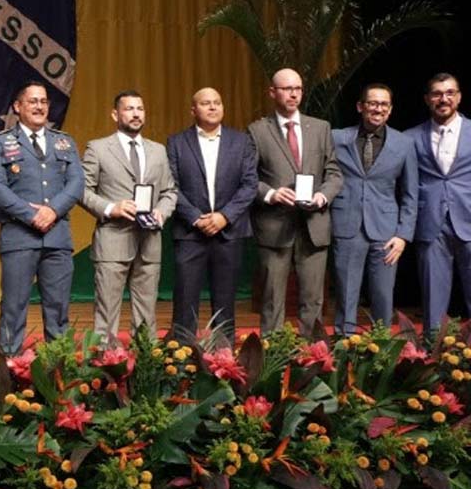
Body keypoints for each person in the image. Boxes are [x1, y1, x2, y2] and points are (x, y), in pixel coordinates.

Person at [0, 80, 84, 355]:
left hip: (57, 238)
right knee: (13, 310)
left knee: (58, 311)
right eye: (32, 101)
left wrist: (53, 210)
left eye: (43, 101)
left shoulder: (65, 142)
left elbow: (77, 183)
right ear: (18, 106)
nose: (39, 106)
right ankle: (8, 375)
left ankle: (58, 376)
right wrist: (31, 215)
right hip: (19, 237)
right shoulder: (0, 142)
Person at [248, 68, 343, 335]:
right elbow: (247, 178)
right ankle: (272, 364)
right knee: (271, 301)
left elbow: (334, 173)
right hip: (274, 227)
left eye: (298, 89)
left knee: (313, 301)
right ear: (272, 92)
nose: (293, 94)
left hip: (314, 226)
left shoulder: (321, 128)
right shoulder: (257, 130)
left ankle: (312, 362)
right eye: (287, 89)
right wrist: (271, 194)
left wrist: (323, 195)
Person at [80, 90, 176, 339]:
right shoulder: (98, 148)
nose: (136, 114)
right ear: (115, 114)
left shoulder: (158, 150)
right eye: (129, 108)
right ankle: (104, 369)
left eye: (140, 109)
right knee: (107, 314)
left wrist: (161, 212)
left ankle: (145, 369)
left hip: (149, 241)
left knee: (147, 315)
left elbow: (170, 191)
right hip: (113, 239)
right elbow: (81, 190)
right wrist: (112, 208)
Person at [166, 88, 257, 342]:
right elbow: (170, 185)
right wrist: (196, 217)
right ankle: (181, 359)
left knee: (225, 301)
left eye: (217, 102)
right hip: (189, 233)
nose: (213, 107)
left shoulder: (241, 142)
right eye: (206, 103)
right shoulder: (176, 142)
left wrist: (224, 217)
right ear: (193, 110)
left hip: (229, 233)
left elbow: (250, 185)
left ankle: (224, 359)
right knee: (185, 300)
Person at [331, 84, 417, 335]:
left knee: (382, 296)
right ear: (361, 106)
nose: (378, 109)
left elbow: (411, 194)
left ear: (389, 111)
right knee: (346, 294)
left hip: (387, 233)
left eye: (384, 105)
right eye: (373, 103)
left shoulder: (404, 143)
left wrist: (403, 235)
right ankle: (342, 346)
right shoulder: (338, 138)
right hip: (347, 226)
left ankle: (381, 349)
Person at [406, 73, 471, 335]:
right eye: (437, 94)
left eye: (449, 93)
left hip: (469, 220)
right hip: (430, 224)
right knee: (433, 301)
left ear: (458, 97)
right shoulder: (410, 137)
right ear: (427, 99)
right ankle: (432, 361)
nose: (443, 99)